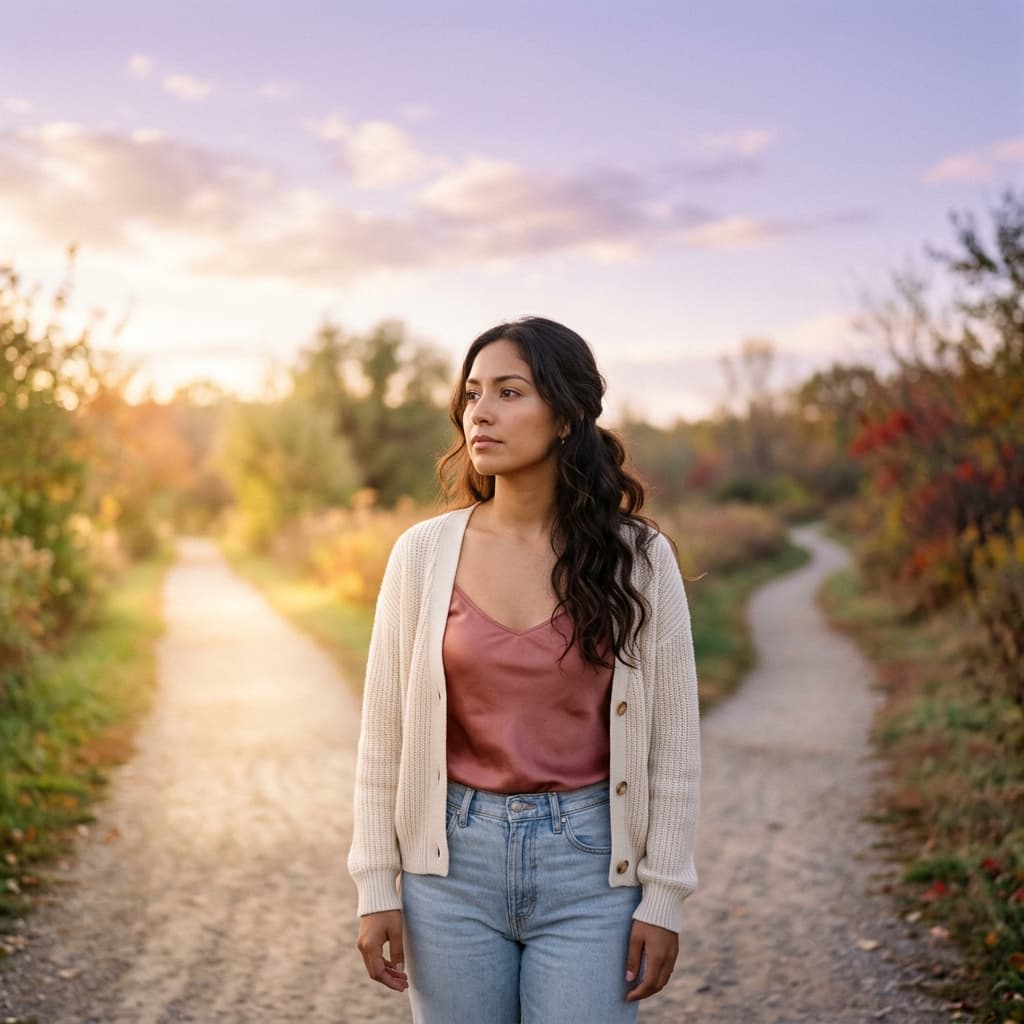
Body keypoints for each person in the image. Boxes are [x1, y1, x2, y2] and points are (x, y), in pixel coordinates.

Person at [348, 316, 701, 1022]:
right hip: (449, 868)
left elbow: (673, 744)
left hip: (592, 868)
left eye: (509, 392)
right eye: (473, 393)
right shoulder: (421, 554)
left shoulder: (638, 559)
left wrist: (663, 896)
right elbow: (384, 736)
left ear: (565, 417)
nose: (480, 412)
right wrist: (376, 885)